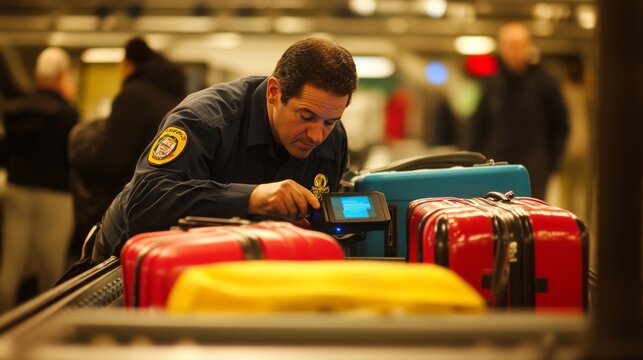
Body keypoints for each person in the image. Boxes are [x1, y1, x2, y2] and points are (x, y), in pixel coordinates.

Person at [90, 37, 358, 264]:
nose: (317, 135)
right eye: (306, 116)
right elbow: (145, 205)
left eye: (329, 122)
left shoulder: (333, 140)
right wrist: (252, 198)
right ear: (274, 92)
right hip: (123, 262)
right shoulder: (205, 121)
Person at [68, 37, 186, 259]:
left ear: (129, 63)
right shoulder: (175, 97)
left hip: (127, 207)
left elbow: (111, 159)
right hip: (164, 207)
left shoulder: (132, 96)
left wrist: (80, 154)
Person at [0, 47, 78, 310]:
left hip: (17, 189)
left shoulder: (15, 111)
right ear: (62, 76)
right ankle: (46, 323)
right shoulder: (67, 114)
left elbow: (6, 151)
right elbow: (72, 157)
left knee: (12, 261)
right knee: (51, 265)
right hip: (56, 194)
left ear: (36, 74)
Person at [468, 22, 569, 199]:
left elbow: (560, 125)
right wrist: (473, 162)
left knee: (530, 217)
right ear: (502, 48)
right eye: (510, 46)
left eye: (519, 45)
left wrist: (552, 163)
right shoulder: (492, 84)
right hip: (496, 166)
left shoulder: (546, 82)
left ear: (528, 47)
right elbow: (478, 125)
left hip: (533, 169)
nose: (514, 52)